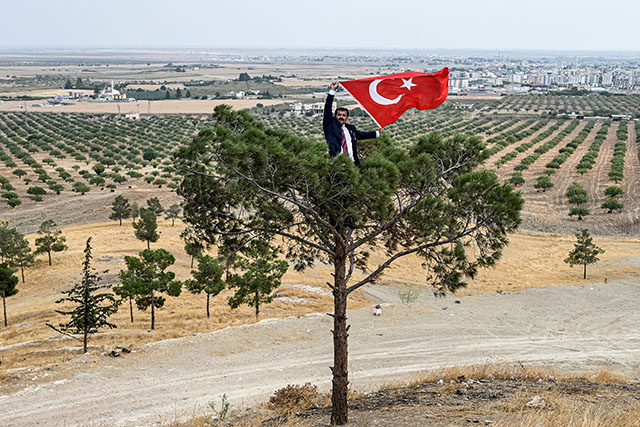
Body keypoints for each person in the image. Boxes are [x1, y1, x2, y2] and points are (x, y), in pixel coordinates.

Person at [323, 81, 382, 166]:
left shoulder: (350, 129)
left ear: (347, 118)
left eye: (344, 115)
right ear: (335, 116)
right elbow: (327, 109)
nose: (341, 117)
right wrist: (332, 91)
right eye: (339, 115)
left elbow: (362, 135)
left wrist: (377, 133)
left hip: (352, 165)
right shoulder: (330, 126)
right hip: (337, 165)